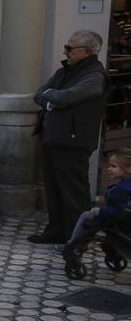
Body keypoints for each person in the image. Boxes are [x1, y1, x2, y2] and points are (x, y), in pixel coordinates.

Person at [31, 30, 109, 244]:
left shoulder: (94, 76)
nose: (65, 52)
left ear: (87, 51)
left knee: (73, 192)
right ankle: (56, 231)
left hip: (74, 142)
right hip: (52, 137)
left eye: (69, 48)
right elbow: (39, 93)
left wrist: (51, 97)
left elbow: (68, 97)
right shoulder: (64, 71)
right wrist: (51, 99)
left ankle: (78, 238)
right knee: (53, 188)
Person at [63, 149, 131, 266]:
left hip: (119, 222)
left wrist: (98, 211)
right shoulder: (126, 185)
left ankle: (73, 244)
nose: (109, 169)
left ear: (128, 169)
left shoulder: (121, 189)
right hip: (126, 221)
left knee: (86, 217)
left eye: (113, 166)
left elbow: (116, 211)